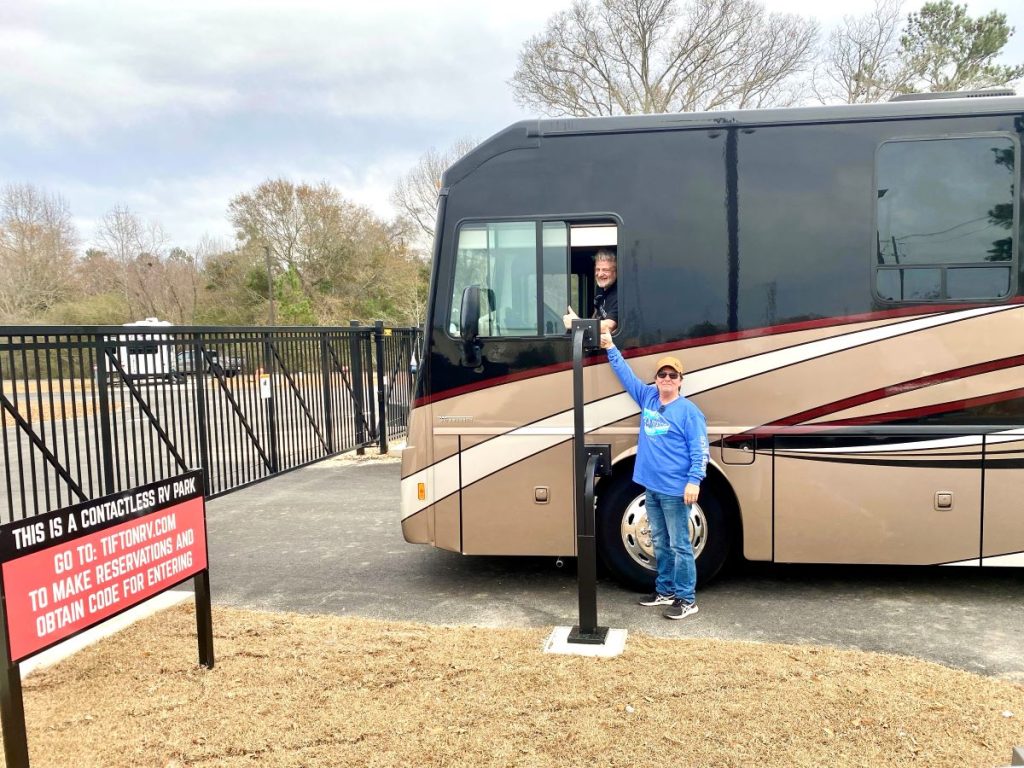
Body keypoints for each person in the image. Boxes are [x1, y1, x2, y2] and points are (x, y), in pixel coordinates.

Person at [600, 331, 708, 620]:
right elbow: (626, 376)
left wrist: (694, 481)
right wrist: (611, 347)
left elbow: (700, 449)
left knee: (680, 545)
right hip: (652, 487)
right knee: (659, 540)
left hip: (676, 490)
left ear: (681, 381)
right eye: (663, 374)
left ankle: (686, 599)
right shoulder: (648, 397)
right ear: (656, 379)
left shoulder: (689, 412)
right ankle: (665, 591)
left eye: (673, 375)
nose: (667, 379)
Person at [563, 249, 618, 333]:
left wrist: (577, 323)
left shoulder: (619, 296)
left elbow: (608, 327)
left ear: (616, 272)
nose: (599, 274)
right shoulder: (600, 288)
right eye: (597, 269)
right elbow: (597, 313)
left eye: (605, 270)